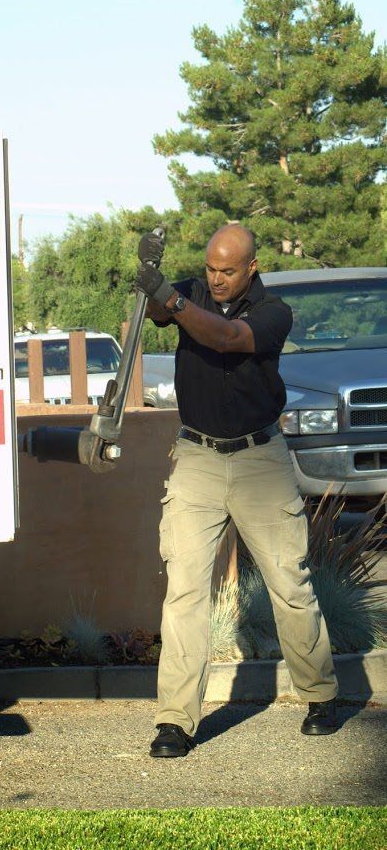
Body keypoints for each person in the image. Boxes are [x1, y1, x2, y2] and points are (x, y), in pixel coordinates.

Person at [135, 223, 338, 759]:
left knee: (289, 583)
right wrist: (150, 284)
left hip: (260, 461)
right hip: (197, 458)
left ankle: (319, 696)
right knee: (184, 592)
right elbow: (157, 312)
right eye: (210, 268)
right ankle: (175, 722)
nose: (216, 279)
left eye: (227, 270)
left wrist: (170, 297)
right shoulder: (194, 291)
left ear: (251, 267)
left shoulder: (274, 311)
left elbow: (225, 338)